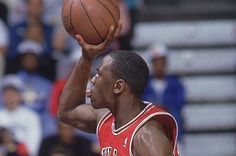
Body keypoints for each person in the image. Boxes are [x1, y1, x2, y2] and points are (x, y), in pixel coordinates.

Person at [57, 23, 179, 155]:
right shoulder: (106, 119)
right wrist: (86, 58)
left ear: (118, 86)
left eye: (99, 75)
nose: (93, 80)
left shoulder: (146, 135)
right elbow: (66, 111)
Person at [142, 44, 185, 146]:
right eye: (156, 62)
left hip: (170, 124)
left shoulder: (175, 82)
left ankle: (176, 142)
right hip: (151, 125)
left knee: (175, 115)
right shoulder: (145, 84)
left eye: (161, 62)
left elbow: (179, 102)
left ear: (165, 63)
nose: (159, 65)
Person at [0, 74, 42, 156]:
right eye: (7, 92)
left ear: (20, 95)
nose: (10, 96)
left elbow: (33, 149)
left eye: (14, 92)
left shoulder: (31, 116)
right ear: (2, 96)